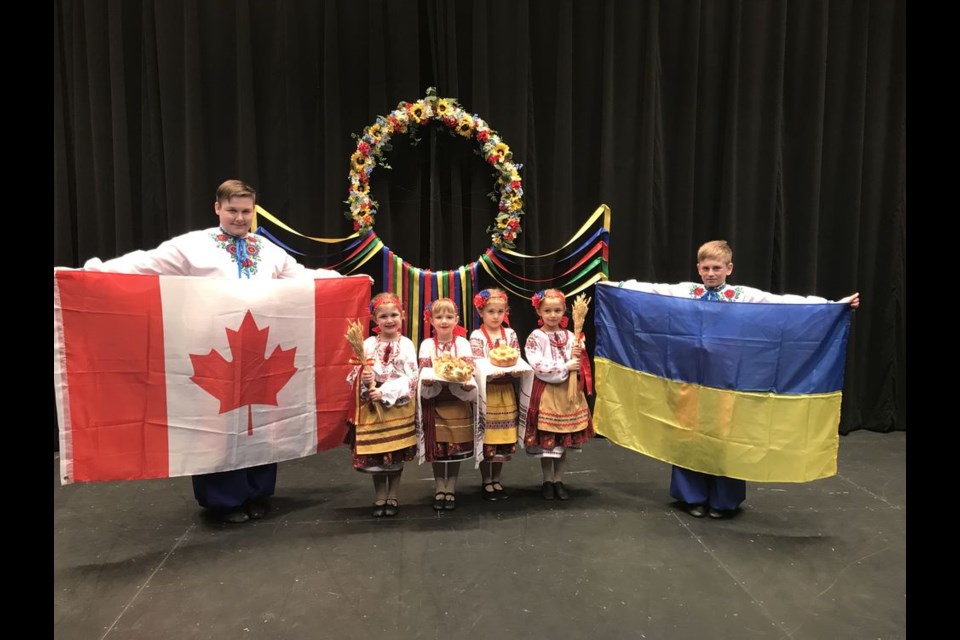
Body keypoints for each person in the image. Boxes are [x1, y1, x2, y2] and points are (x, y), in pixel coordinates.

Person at [82, 179, 345, 524]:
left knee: (261, 422)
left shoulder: (267, 250)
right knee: (217, 429)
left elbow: (298, 277)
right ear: (217, 207)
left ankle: (257, 492)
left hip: (256, 352)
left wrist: (339, 280)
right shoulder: (194, 246)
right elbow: (147, 264)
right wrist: (97, 270)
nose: (239, 218)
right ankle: (225, 500)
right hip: (213, 353)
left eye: (246, 211)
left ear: (254, 211)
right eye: (233, 210)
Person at [610, 239, 860, 519]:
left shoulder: (742, 296)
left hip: (728, 382)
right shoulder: (685, 293)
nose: (711, 273)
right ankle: (691, 496)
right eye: (705, 268)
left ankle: (723, 500)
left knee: (724, 438)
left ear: (729, 268)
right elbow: (648, 291)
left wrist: (834, 306)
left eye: (717, 267)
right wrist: (611, 286)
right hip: (689, 380)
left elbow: (784, 304)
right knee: (688, 434)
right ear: (698, 268)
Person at [346, 292, 419, 517]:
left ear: (403, 316)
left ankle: (394, 495)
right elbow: (353, 373)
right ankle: (380, 496)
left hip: (396, 405)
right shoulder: (367, 344)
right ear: (375, 320)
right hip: (372, 405)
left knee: (394, 454)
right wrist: (364, 379)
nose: (389, 320)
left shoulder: (406, 344)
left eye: (394, 315)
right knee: (377, 455)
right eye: (384, 316)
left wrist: (385, 391)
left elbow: (411, 377)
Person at [524, 289, 594, 500]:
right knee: (548, 443)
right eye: (547, 311)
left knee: (562, 442)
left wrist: (578, 353)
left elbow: (579, 361)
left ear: (564, 311)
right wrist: (565, 365)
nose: (553, 315)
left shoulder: (570, 335)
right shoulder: (536, 337)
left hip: (568, 393)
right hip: (548, 391)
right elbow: (536, 363)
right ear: (539, 311)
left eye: (557, 310)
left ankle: (559, 479)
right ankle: (547, 480)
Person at [416, 298, 477, 511]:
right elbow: (424, 371)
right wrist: (427, 381)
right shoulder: (426, 345)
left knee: (454, 447)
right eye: (439, 317)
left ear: (456, 320)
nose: (444, 321)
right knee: (439, 447)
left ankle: (451, 486)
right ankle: (439, 486)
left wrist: (468, 384)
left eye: (449, 317)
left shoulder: (462, 343)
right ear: (430, 320)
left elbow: (467, 371)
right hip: (435, 400)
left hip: (457, 400)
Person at [468, 288, 527, 501]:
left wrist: (515, 370)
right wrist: (490, 374)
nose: (495, 316)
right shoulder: (477, 335)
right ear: (481, 312)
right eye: (491, 311)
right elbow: (476, 362)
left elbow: (516, 356)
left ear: (506, 313)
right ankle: (486, 480)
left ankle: (497, 479)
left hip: (505, 390)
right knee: (489, 436)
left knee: (503, 436)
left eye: (500, 312)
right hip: (488, 391)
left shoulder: (509, 334)